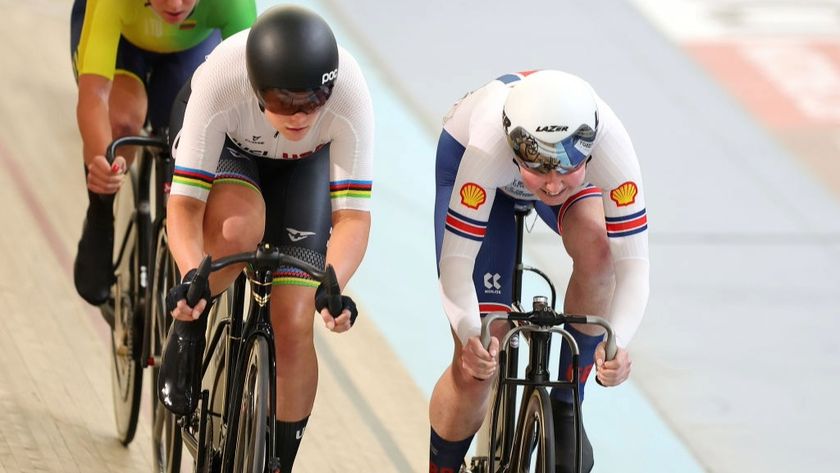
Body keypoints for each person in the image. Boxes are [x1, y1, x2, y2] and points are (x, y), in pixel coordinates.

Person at [157, 6, 374, 472]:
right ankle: (192, 321)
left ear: (330, 88)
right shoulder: (222, 80)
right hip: (231, 146)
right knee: (239, 229)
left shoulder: (351, 93)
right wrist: (193, 275)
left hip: (304, 166)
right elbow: (185, 207)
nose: (299, 115)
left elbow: (353, 218)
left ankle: (278, 463)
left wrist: (331, 285)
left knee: (294, 322)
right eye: (283, 101)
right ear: (257, 89)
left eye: (313, 101)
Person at [430, 70, 649, 472]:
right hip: (480, 177)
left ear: (588, 147)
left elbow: (632, 266)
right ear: (515, 147)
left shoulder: (611, 144)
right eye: (539, 167)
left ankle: (569, 402)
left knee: (598, 251)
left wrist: (616, 345)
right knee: (478, 358)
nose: (551, 185)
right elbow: (456, 265)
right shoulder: (487, 147)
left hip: (528, 170)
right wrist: (468, 333)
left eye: (566, 166)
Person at [70, 0, 256, 307]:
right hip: (122, 45)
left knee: (186, 133)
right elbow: (94, 96)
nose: (175, 4)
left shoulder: (233, 3)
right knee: (122, 122)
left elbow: (250, 98)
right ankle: (101, 212)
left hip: (190, 48)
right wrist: (100, 167)